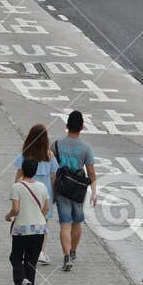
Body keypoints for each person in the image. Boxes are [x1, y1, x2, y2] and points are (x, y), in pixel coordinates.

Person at [52, 110, 97, 270]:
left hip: (62, 188)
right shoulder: (86, 148)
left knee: (65, 223)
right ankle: (73, 251)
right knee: (77, 221)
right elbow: (91, 173)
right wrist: (94, 192)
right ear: (82, 127)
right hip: (78, 190)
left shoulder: (56, 144)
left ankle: (66, 257)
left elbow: (52, 168)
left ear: (66, 126)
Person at [6, 158, 51, 285]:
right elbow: (46, 208)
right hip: (39, 229)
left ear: (23, 170)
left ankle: (23, 281)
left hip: (21, 229)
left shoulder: (17, 187)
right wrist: (37, 217)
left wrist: (8, 216)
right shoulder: (42, 187)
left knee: (16, 257)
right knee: (31, 260)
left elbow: (16, 209)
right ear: (35, 171)